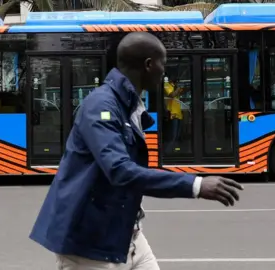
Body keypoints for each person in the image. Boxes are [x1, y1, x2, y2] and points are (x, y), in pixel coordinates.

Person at [29, 32, 244, 270]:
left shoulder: (128, 106)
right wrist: (196, 185)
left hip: (129, 239)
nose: (165, 71)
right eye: (164, 63)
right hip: (90, 250)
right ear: (149, 65)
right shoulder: (101, 106)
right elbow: (120, 171)